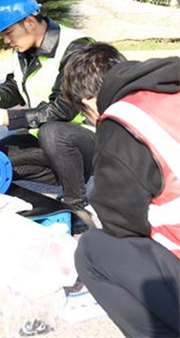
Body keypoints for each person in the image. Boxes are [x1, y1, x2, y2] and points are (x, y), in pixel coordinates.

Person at [61, 42, 180, 338]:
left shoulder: (125, 120)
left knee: (93, 250)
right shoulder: (170, 89)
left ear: (89, 102)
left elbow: (121, 223)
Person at [0, 0, 95, 209]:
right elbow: (15, 85)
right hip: (48, 137)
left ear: (30, 22)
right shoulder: (24, 50)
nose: (6, 40)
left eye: (8, 32)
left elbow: (63, 109)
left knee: (53, 132)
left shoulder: (76, 48)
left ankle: (76, 203)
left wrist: (4, 117)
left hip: (89, 139)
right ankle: (67, 172)